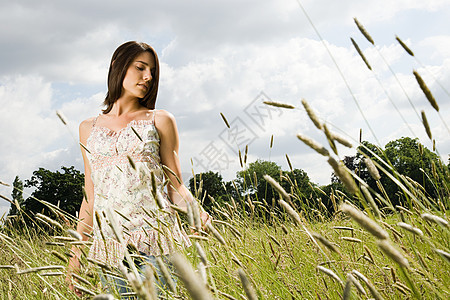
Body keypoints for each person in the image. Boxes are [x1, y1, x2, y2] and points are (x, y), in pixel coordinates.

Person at [66, 41, 211, 299]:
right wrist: (76, 255)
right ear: (117, 66)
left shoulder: (160, 120)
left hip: (155, 238)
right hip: (110, 244)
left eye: (152, 72)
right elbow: (90, 196)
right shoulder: (87, 128)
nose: (148, 77)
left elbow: (174, 183)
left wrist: (194, 209)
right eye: (140, 68)